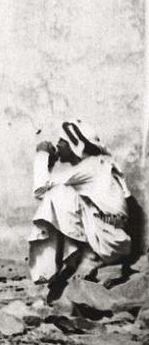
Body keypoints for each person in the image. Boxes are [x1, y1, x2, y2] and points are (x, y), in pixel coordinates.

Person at [29, 120, 132, 300]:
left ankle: (54, 268)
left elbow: (41, 189)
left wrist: (42, 155)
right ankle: (74, 261)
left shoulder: (90, 166)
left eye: (62, 141)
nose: (58, 145)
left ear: (75, 145)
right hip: (112, 236)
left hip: (107, 239)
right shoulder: (100, 164)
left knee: (58, 194)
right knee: (67, 195)